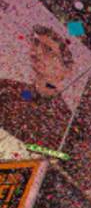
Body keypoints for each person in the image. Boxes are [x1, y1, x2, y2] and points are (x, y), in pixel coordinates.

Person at [0, 24, 75, 152]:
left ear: (66, 69)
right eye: (36, 43)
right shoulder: (6, 87)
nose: (36, 52)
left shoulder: (65, 119)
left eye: (48, 50)